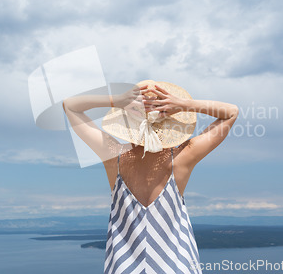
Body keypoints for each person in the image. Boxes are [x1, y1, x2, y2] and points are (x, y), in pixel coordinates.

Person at [62, 80, 238, 274]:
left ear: (127, 121)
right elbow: (231, 112)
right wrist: (185, 105)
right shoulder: (181, 158)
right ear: (169, 121)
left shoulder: (114, 157)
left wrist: (116, 100)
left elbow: (70, 106)